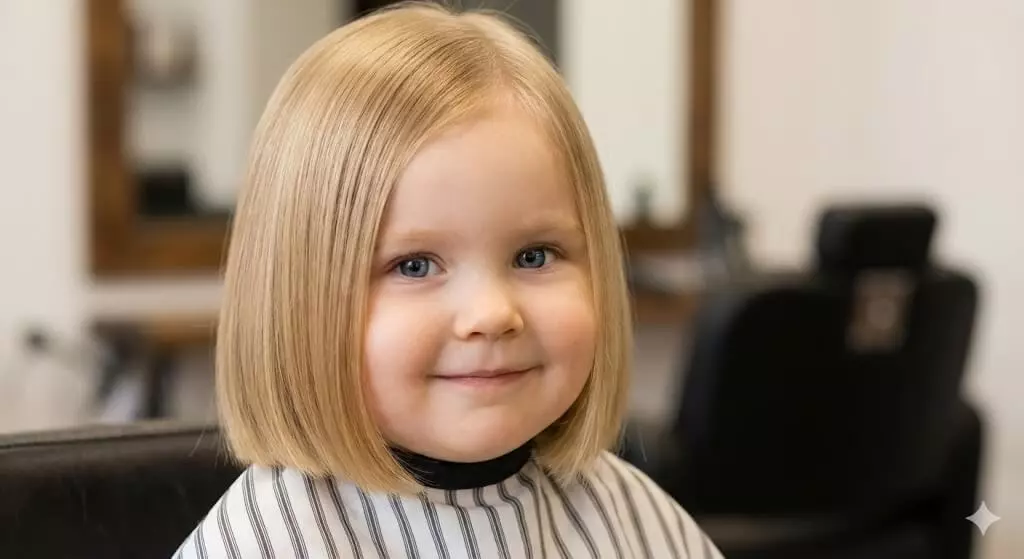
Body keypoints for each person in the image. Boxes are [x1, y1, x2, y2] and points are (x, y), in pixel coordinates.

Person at [175, 2, 724, 557]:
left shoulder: (629, 517)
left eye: (534, 256)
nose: (491, 313)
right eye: (414, 265)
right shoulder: (269, 542)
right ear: (299, 304)